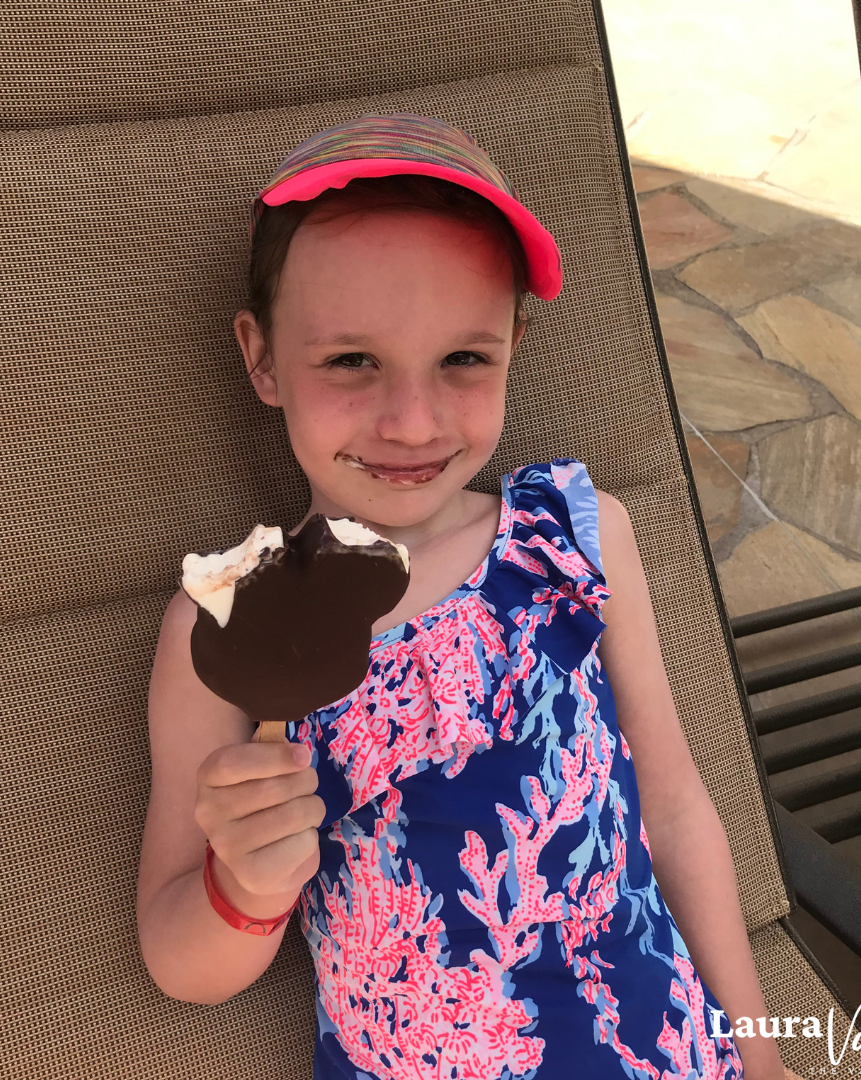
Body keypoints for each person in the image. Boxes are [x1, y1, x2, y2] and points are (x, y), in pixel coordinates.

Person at [137, 112, 801, 1080]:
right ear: (263, 357)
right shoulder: (227, 620)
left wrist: (759, 1049)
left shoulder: (576, 533)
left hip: (662, 1051)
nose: (412, 420)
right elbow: (178, 963)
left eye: (463, 359)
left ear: (515, 344)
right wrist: (243, 888)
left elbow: (673, 800)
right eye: (351, 362)